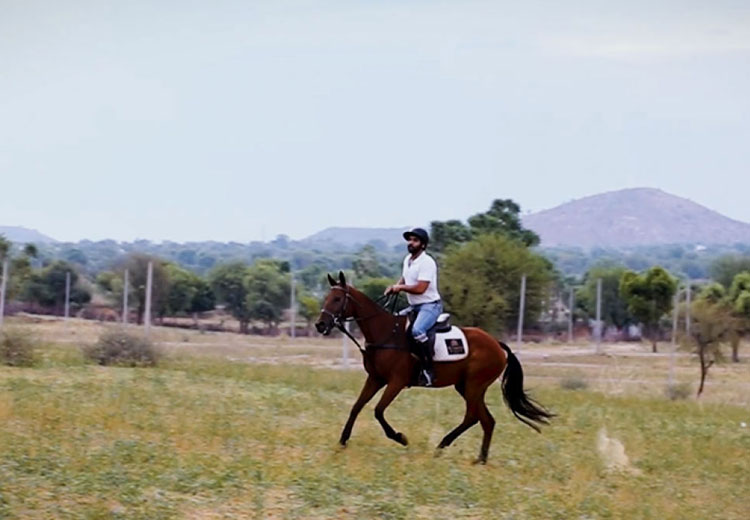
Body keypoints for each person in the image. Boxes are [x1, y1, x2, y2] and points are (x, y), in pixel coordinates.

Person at [385, 227, 442, 386]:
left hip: (430, 306)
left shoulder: (427, 262)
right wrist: (395, 287)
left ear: (423, 245)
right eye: (409, 240)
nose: (411, 243)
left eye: (415, 240)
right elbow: (405, 277)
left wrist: (400, 289)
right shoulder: (407, 260)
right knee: (394, 325)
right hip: (414, 306)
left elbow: (420, 288)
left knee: (417, 331)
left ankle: (429, 369)